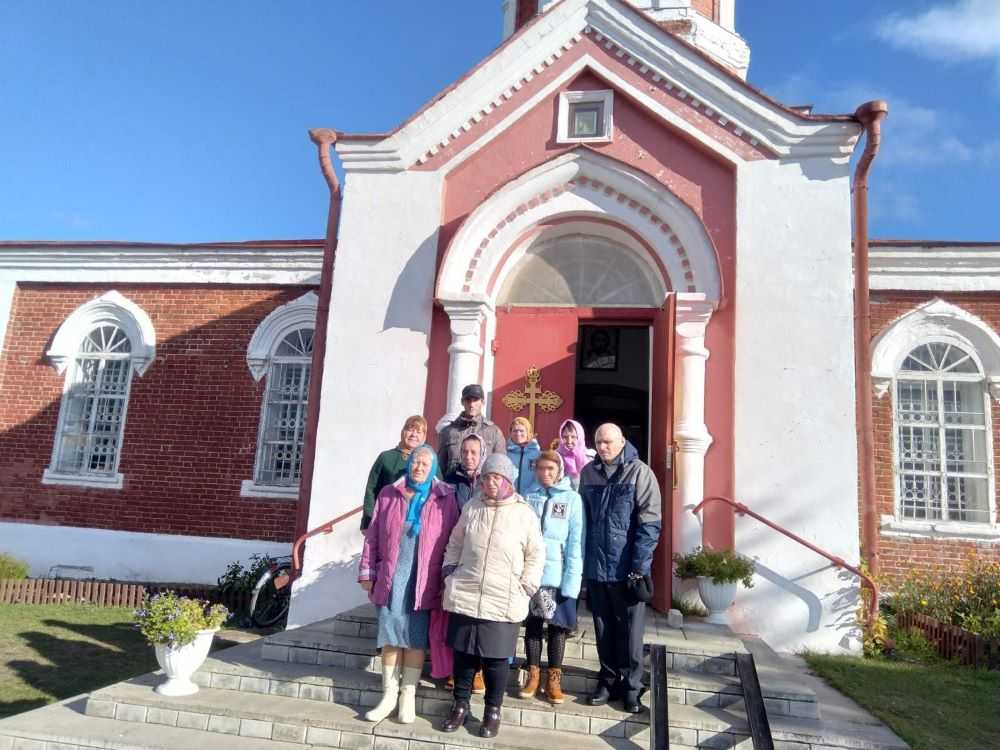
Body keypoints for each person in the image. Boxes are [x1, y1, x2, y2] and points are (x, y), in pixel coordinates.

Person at [440, 454, 545, 738]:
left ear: (508, 480)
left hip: (504, 597)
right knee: (463, 655)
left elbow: (536, 554)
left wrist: (526, 585)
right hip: (467, 591)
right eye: (486, 477)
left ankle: (492, 710)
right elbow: (455, 542)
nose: (490, 482)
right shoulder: (473, 507)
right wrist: (450, 571)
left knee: (497, 660)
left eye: (496, 477)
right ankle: (460, 705)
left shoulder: (524, 513)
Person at [358, 445, 460, 724]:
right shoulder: (389, 493)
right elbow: (373, 536)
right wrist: (367, 572)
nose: (419, 468)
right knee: (390, 638)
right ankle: (388, 696)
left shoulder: (444, 497)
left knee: (415, 639)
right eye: (416, 462)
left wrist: (448, 577)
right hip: (391, 578)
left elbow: (453, 540)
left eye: (425, 464)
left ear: (433, 468)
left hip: (423, 580)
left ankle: (407, 697)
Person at [579, 423, 661, 715]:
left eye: (609, 442)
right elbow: (583, 522)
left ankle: (632, 687)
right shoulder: (588, 473)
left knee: (630, 633)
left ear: (622, 441)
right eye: (599, 441)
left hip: (627, 569)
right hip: (597, 568)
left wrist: (639, 567)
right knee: (603, 630)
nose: (603, 447)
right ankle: (608, 680)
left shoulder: (640, 473)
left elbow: (649, 525)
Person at [520, 451, 583, 705]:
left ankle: (554, 678)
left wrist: (572, 580)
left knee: (557, 628)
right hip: (534, 574)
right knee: (533, 627)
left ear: (559, 470)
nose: (544, 473)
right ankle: (533, 674)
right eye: (540, 468)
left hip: (558, 575)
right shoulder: (528, 496)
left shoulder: (571, 499)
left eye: (549, 469)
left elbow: (575, 541)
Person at [361, 415, 433, 530]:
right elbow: (371, 489)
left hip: (417, 524)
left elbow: (438, 489)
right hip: (386, 521)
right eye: (410, 430)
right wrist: (367, 521)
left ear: (424, 437)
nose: (414, 434)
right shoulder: (386, 457)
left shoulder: (430, 461)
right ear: (403, 432)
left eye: (418, 432)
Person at [437, 384, 505, 475]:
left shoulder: (494, 432)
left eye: (475, 400)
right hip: (454, 485)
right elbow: (441, 465)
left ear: (482, 402)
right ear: (462, 402)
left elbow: (500, 465)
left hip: (483, 486)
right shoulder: (449, 431)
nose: (471, 404)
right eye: (468, 400)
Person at [444, 433, 485, 510]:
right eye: (465, 452)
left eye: (473, 452)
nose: (468, 457)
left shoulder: (488, 480)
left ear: (481, 454)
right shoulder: (451, 480)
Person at [506, 416, 541, 497]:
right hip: (509, 498)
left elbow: (540, 478)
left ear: (528, 432)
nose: (518, 434)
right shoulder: (505, 453)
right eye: (515, 431)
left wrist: (529, 493)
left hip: (531, 497)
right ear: (510, 433)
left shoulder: (537, 454)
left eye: (522, 431)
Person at [557, 419, 592, 490]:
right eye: (565, 437)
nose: (569, 441)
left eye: (573, 437)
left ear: (580, 437)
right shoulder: (556, 456)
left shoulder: (590, 456)